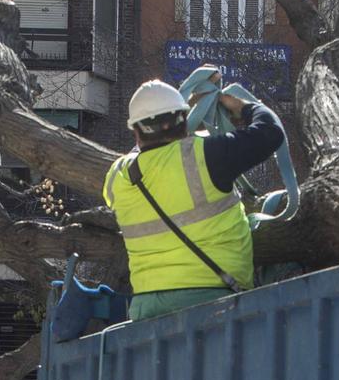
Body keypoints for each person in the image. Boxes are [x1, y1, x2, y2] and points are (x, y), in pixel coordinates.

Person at [103, 78, 286, 322]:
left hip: (145, 309)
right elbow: (271, 133)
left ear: (135, 132)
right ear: (184, 122)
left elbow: (147, 153)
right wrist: (244, 107)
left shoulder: (119, 176)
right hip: (213, 303)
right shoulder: (207, 155)